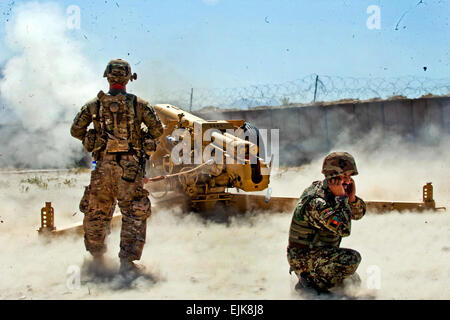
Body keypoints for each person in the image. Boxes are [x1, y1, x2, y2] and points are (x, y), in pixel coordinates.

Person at [70, 59, 163, 276]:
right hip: (130, 170)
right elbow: (157, 130)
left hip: (101, 167)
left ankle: (97, 259)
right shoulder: (140, 105)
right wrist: (144, 142)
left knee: (97, 211)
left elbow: (76, 130)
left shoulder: (93, 105)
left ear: (108, 77)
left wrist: (91, 138)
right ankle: (128, 263)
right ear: (129, 78)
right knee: (133, 213)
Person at [287, 152, 366, 294]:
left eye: (350, 177)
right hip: (304, 258)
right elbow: (344, 230)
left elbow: (358, 214)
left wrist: (352, 199)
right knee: (352, 259)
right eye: (344, 176)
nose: (348, 181)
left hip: (318, 253)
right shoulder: (317, 202)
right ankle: (309, 283)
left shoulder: (331, 192)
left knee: (353, 281)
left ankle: (317, 278)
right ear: (332, 177)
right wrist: (342, 199)